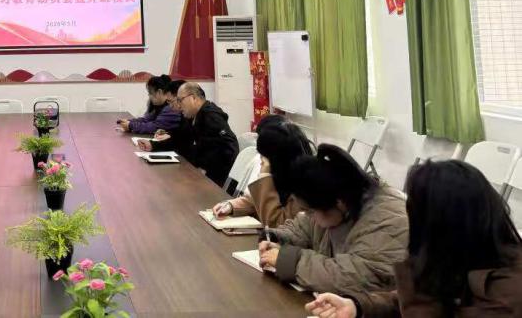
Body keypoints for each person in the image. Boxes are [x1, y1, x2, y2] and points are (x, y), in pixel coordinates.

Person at [307, 159, 522, 317]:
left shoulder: (507, 295)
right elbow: (408, 297)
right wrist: (357, 306)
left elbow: (426, 302)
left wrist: (416, 265)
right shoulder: (473, 256)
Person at [259, 143, 408, 298]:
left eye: (310, 211)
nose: (307, 216)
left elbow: (351, 278)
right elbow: (303, 227)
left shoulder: (386, 222)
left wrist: (289, 261)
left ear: (340, 203)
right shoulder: (335, 200)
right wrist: (277, 238)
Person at [213, 118, 314, 226]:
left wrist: (265, 176)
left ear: (279, 159)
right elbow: (254, 201)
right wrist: (231, 206)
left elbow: (274, 223)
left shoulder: (302, 190)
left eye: (264, 156)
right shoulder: (281, 174)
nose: (261, 160)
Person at [141, 82, 238, 186]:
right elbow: (181, 140)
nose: (178, 105)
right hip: (197, 172)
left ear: (193, 98)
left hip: (215, 180)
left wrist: (206, 170)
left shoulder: (211, 116)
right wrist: (153, 145)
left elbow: (230, 148)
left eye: (180, 100)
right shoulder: (192, 116)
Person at [118, 74, 182, 135]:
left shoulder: (171, 108)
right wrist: (129, 121)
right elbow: (146, 119)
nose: (149, 96)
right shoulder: (159, 106)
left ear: (159, 92)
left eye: (150, 93)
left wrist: (130, 125)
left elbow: (155, 127)